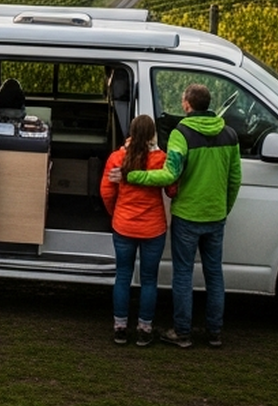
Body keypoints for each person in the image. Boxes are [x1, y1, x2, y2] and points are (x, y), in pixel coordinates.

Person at [126, 83, 241, 348]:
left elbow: (170, 174)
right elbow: (235, 179)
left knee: (183, 274)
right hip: (216, 216)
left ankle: (182, 332)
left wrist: (135, 176)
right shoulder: (230, 134)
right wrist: (224, 208)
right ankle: (215, 333)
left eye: (182, 100)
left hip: (188, 216)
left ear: (188, 104)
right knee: (214, 274)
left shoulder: (182, 133)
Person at [102, 115, 171, 346]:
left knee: (123, 276)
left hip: (124, 225)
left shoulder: (117, 157)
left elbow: (107, 192)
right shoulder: (161, 159)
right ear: (153, 134)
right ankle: (144, 329)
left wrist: (116, 213)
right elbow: (172, 189)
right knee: (149, 279)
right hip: (153, 228)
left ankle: (120, 327)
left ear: (131, 132)